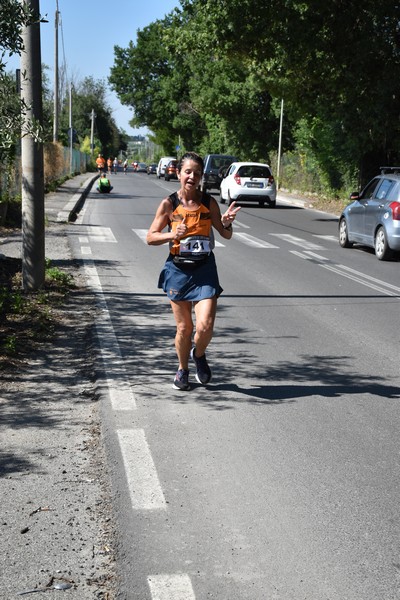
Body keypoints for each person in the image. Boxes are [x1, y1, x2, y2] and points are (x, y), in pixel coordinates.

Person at [146, 151, 240, 391]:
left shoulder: (208, 202)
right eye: (187, 172)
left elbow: (225, 234)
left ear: (200, 177)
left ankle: (198, 354)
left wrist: (228, 222)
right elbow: (150, 237)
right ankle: (182, 368)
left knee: (205, 326)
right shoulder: (169, 204)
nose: (192, 177)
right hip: (178, 270)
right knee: (184, 328)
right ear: (179, 173)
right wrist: (171, 234)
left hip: (205, 269)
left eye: (196, 173)